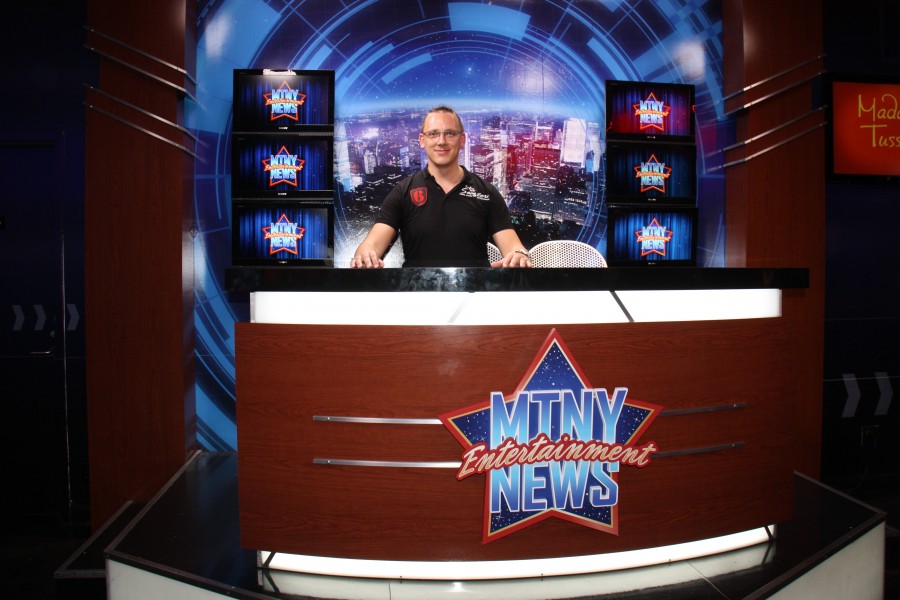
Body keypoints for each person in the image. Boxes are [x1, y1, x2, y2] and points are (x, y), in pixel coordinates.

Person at [350, 105, 532, 268]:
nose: (441, 141)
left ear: (462, 140)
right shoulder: (403, 192)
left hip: (474, 290)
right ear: (422, 140)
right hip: (416, 289)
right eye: (433, 133)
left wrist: (519, 255)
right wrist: (365, 254)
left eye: (450, 133)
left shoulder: (487, 192)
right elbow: (372, 244)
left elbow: (513, 247)